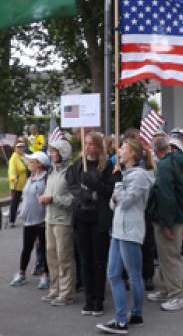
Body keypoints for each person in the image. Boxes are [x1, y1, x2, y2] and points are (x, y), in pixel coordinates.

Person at [96, 138, 154, 334]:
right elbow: (114, 204)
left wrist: (119, 183)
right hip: (118, 229)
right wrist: (118, 187)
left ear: (133, 154)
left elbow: (126, 202)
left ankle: (123, 320)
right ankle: (133, 315)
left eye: (123, 148)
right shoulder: (124, 173)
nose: (119, 150)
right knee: (114, 273)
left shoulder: (139, 176)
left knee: (134, 275)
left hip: (130, 230)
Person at [66, 132, 115, 316]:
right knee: (85, 261)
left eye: (91, 144)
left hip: (99, 219)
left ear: (98, 146)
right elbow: (71, 184)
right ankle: (88, 298)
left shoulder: (107, 165)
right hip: (82, 218)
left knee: (99, 261)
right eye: (85, 143)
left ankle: (98, 299)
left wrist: (93, 184)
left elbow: (110, 190)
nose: (88, 147)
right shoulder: (78, 165)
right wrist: (84, 194)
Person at [146, 136, 183, 311]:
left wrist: (166, 224)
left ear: (156, 151)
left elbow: (166, 196)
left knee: (170, 258)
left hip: (170, 219)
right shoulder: (175, 161)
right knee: (167, 257)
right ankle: (166, 289)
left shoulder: (165, 165)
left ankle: (177, 295)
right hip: (174, 216)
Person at [39, 139, 75, 306]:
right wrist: (44, 198)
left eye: (55, 152)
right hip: (49, 219)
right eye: (51, 151)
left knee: (64, 257)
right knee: (51, 256)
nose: (51, 154)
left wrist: (54, 199)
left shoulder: (70, 172)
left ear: (63, 153)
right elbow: (49, 193)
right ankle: (55, 290)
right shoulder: (52, 172)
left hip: (63, 221)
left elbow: (73, 199)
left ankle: (66, 293)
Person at [10, 151, 50, 289]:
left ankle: (45, 276)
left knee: (44, 249)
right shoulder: (30, 177)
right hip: (28, 221)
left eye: (32, 161)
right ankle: (22, 274)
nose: (29, 163)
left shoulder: (46, 179)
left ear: (39, 164)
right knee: (26, 248)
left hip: (41, 221)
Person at [8, 138, 28, 227]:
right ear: (15, 148)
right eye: (19, 147)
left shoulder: (24, 156)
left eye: (22, 146)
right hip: (17, 185)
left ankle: (27, 218)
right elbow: (11, 171)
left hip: (26, 184)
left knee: (27, 202)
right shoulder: (13, 158)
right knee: (14, 204)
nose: (21, 148)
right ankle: (12, 220)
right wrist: (13, 178)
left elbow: (30, 166)